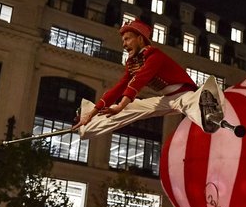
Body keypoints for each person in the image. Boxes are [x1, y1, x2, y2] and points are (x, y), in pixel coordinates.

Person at [73, 19, 227, 140]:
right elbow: (119, 88)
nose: (124, 44)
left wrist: (120, 105)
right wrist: (92, 113)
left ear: (140, 39)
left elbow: (138, 81)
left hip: (183, 93)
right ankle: (90, 125)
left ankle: (208, 110)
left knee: (187, 102)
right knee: (130, 108)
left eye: (127, 39)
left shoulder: (154, 56)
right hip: (167, 98)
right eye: (123, 41)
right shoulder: (133, 63)